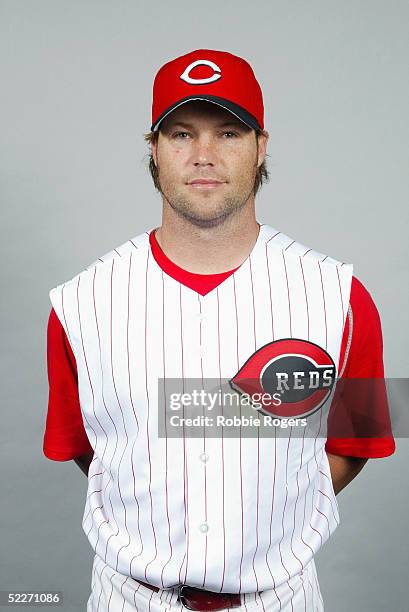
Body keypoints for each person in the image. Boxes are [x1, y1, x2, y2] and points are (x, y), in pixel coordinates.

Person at [43, 49, 395, 612]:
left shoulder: (343, 297)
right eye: (181, 133)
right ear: (153, 150)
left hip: (279, 600)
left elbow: (358, 442)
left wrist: (269, 509)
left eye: (229, 133)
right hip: (129, 600)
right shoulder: (79, 302)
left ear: (261, 147)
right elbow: (95, 451)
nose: (203, 155)